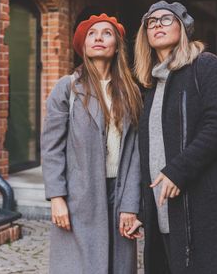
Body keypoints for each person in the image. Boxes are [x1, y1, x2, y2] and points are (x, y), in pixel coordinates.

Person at [134, 1, 217, 274]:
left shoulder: (206, 66)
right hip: (162, 208)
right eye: (151, 22)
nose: (157, 26)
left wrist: (178, 170)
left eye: (166, 20)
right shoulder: (150, 84)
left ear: (183, 27)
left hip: (203, 204)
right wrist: (141, 209)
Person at [41, 14, 143, 274]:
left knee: (118, 267)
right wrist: (57, 197)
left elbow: (136, 154)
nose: (98, 37)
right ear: (83, 46)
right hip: (79, 196)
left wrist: (131, 204)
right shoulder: (68, 89)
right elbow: (51, 147)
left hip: (118, 193)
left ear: (118, 45)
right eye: (91, 34)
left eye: (106, 33)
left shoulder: (131, 92)